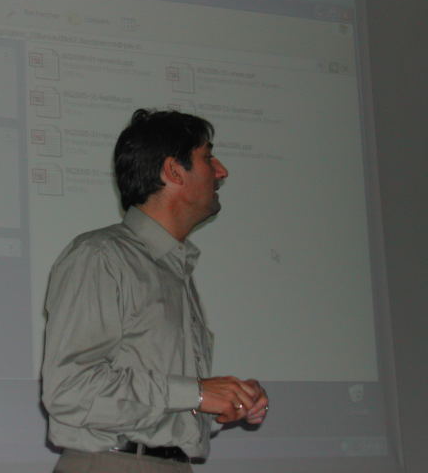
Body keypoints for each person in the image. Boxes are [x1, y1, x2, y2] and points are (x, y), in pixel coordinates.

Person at [41, 109, 268, 472]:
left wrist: (227, 400)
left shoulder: (173, 267)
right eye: (208, 158)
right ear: (173, 171)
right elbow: (69, 390)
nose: (221, 171)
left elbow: (154, 404)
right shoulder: (101, 256)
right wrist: (198, 392)